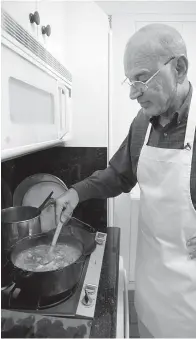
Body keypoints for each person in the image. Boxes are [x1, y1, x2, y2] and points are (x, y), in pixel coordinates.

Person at [56, 23, 196, 338]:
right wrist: (77, 193)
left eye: (142, 78)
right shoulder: (142, 122)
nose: (133, 93)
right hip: (149, 285)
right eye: (130, 82)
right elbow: (119, 174)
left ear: (179, 68)